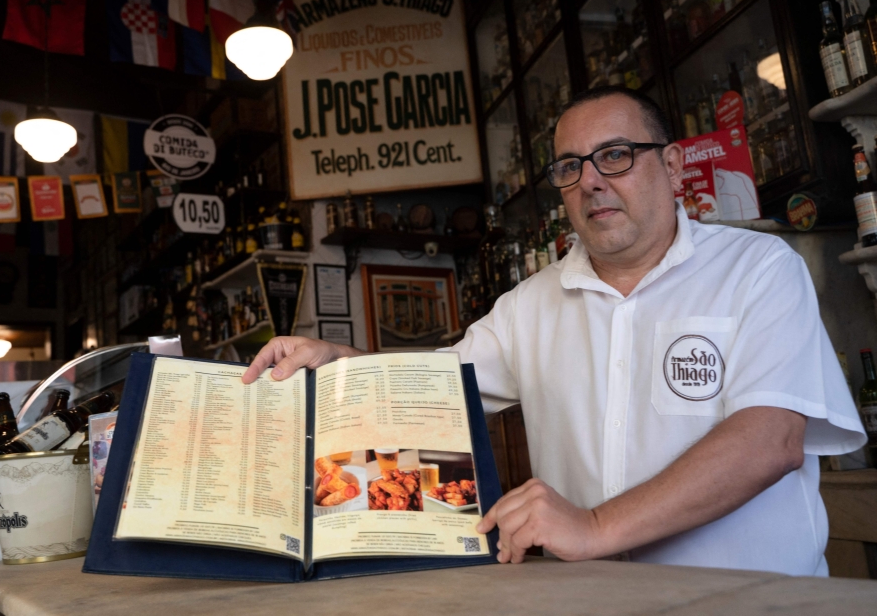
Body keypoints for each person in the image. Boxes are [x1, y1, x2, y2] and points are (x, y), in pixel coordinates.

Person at [242, 86, 866, 576]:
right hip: (591, 603)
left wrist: (594, 527)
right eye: (570, 166)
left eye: (616, 155)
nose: (591, 180)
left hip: (750, 601)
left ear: (674, 166)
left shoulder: (758, 268)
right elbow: (429, 391)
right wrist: (336, 362)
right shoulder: (529, 306)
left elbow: (770, 440)